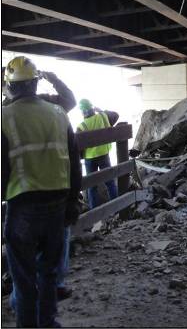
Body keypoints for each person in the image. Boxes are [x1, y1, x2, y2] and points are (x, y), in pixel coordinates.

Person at [1, 56, 82, 328]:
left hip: (22, 205)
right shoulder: (58, 113)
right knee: (48, 275)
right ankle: (48, 324)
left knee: (23, 280)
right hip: (57, 204)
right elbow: (74, 160)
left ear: (9, 87)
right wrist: (73, 202)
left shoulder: (4, 117)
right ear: (35, 83)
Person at [77, 99, 119, 209]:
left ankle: (93, 213)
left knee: (92, 186)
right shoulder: (103, 116)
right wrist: (101, 110)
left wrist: (80, 157)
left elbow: (78, 146)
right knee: (110, 181)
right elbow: (115, 115)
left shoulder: (82, 126)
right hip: (104, 154)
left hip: (90, 158)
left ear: (83, 111)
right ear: (92, 108)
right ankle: (117, 208)